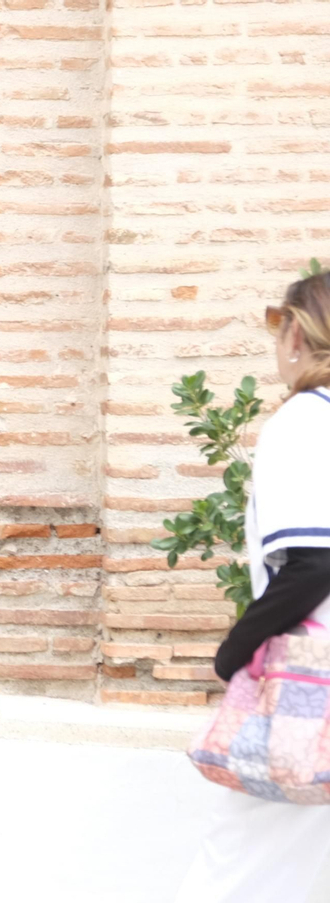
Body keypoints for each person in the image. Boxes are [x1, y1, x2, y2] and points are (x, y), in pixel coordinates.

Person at [174, 272, 330, 903]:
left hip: (307, 685)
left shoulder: (303, 423)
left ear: (296, 331)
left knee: (234, 870)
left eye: (277, 325)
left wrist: (235, 651)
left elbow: (315, 561)